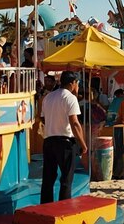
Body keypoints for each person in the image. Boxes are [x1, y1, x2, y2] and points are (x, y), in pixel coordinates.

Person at [40, 71, 87, 204]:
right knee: (66, 179)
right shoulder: (70, 98)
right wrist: (83, 144)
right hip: (65, 142)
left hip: (49, 141)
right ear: (73, 83)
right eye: (77, 83)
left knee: (48, 179)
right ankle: (63, 208)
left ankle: (45, 208)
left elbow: (42, 117)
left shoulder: (48, 97)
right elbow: (75, 123)